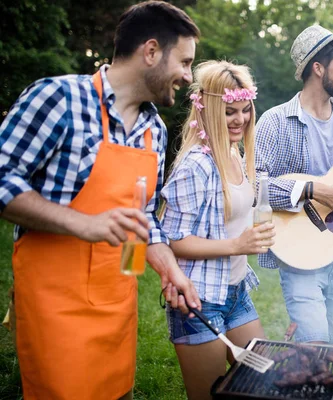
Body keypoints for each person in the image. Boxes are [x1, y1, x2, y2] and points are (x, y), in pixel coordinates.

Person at [0, 2, 201, 399]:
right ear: (151, 51)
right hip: (55, 306)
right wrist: (82, 222)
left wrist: (168, 268)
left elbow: (144, 219)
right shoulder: (59, 98)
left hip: (117, 305)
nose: (187, 76)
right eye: (185, 61)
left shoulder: (154, 131)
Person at [254, 25, 333, 344]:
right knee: (313, 345)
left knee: (330, 349)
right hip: (297, 253)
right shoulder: (275, 121)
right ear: (318, 67)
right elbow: (253, 187)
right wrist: (310, 190)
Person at [160, 60, 275, 400]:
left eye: (245, 110)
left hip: (237, 294)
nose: (240, 119)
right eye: (229, 112)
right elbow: (173, 240)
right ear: (208, 110)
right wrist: (237, 245)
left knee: (263, 384)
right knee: (209, 395)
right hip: (199, 301)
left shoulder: (234, 153)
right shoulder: (196, 166)